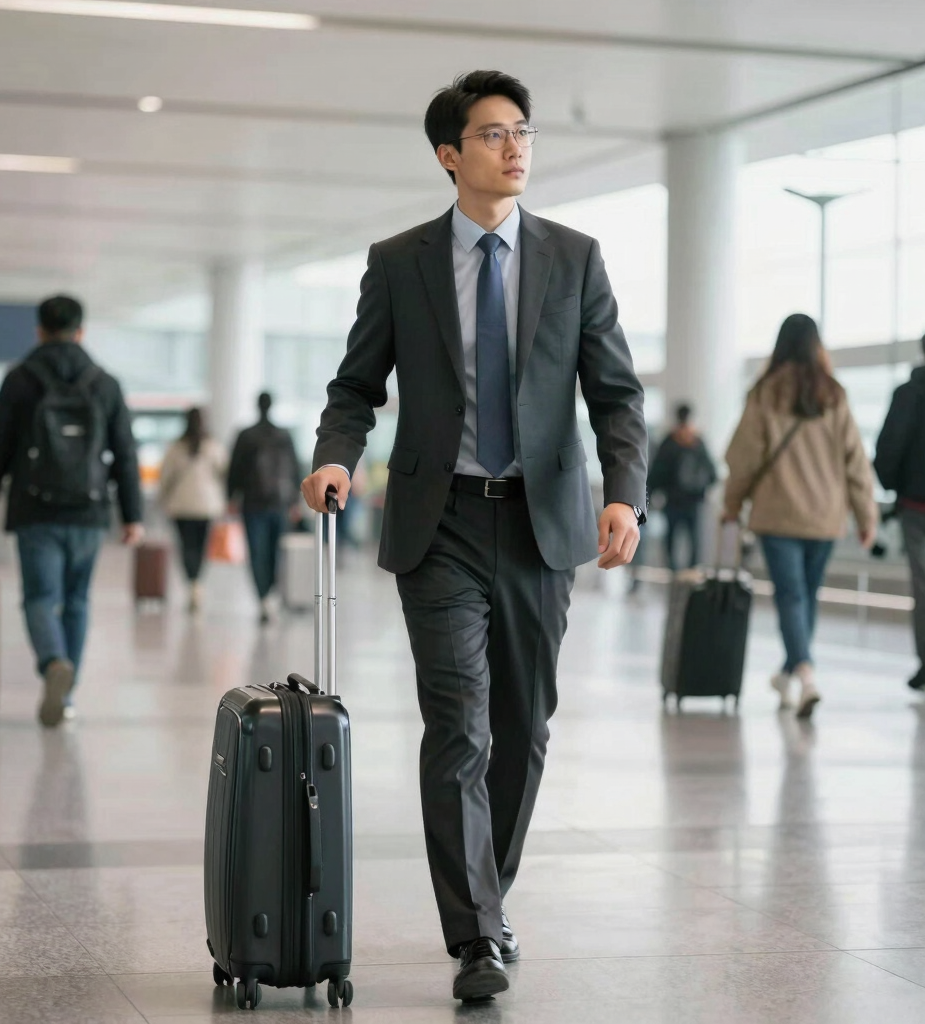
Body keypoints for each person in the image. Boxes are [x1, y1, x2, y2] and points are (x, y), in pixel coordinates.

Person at [300, 71, 647, 1003]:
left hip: (542, 523)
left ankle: (490, 895)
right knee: (459, 726)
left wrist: (626, 496)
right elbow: (355, 387)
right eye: (494, 134)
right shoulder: (400, 262)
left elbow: (616, 395)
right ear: (449, 155)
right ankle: (476, 934)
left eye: (522, 131)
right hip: (441, 521)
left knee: (524, 729)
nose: (515, 146)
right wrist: (335, 458)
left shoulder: (575, 258)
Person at [0, 294, 143, 727]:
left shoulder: (20, 379)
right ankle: (65, 696)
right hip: (88, 511)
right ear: (81, 331)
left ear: (40, 331)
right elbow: (125, 453)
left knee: (39, 597)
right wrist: (132, 515)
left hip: (35, 508)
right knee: (77, 601)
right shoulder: (105, 382)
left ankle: (53, 662)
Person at [723, 313, 877, 719]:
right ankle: (793, 674)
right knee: (806, 596)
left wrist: (732, 504)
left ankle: (802, 673)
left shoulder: (765, 393)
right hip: (826, 516)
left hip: (778, 514)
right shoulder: (834, 394)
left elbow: (742, 458)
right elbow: (856, 461)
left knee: (792, 596)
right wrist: (866, 516)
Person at [874, 332, 925, 693]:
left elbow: (890, 447)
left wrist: (895, 485)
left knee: (922, 586)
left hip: (916, 506)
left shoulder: (909, 393)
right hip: (913, 504)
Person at [227, 392, 300, 624]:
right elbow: (295, 469)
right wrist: (295, 502)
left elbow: (234, 469)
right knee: (276, 552)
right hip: (279, 504)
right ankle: (272, 593)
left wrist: (231, 498)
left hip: (252, 504)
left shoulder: (246, 435)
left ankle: (263, 598)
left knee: (256, 552)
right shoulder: (284, 435)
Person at [158, 407, 227, 613]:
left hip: (181, 506)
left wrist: (162, 500)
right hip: (206, 506)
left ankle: (191, 584)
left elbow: (165, 477)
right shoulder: (213, 446)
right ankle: (197, 584)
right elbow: (224, 475)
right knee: (201, 548)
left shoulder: (176, 448)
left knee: (186, 547)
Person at [648, 403, 718, 572]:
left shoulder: (669, 441)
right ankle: (692, 574)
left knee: (671, 539)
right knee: (695, 540)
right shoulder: (697, 441)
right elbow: (712, 473)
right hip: (694, 501)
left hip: (673, 499)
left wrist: (650, 495)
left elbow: (657, 472)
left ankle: (674, 572)